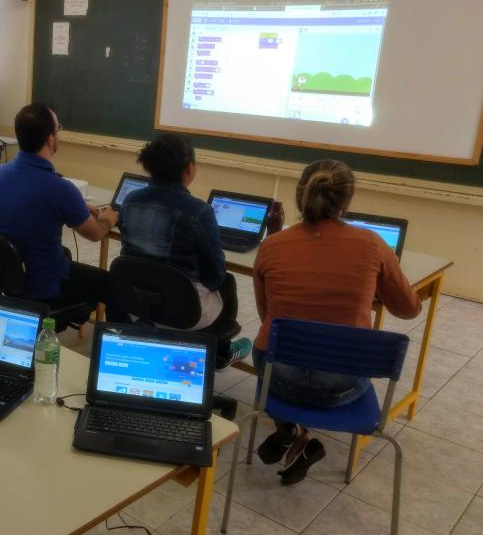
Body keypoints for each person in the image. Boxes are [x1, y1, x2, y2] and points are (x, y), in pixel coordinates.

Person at [251, 159, 421, 485]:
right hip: (345, 388)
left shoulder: (270, 246)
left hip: (277, 379)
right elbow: (409, 310)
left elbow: (266, 316)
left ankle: (292, 428)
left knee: (280, 349)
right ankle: (299, 434)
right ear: (346, 201)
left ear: (301, 195)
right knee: (326, 361)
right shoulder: (373, 245)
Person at [116, 133, 251, 364]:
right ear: (189, 168)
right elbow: (216, 274)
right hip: (183, 313)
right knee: (227, 281)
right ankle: (220, 352)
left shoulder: (130, 200)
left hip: (137, 304)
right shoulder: (198, 211)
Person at [0, 103, 118, 308]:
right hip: (43, 288)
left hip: (10, 279)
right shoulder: (59, 189)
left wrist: (77, 206)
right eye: (58, 130)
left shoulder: (0, 173)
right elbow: (95, 234)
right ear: (50, 139)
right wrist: (108, 220)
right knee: (113, 285)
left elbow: (36, 203)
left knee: (64, 253)